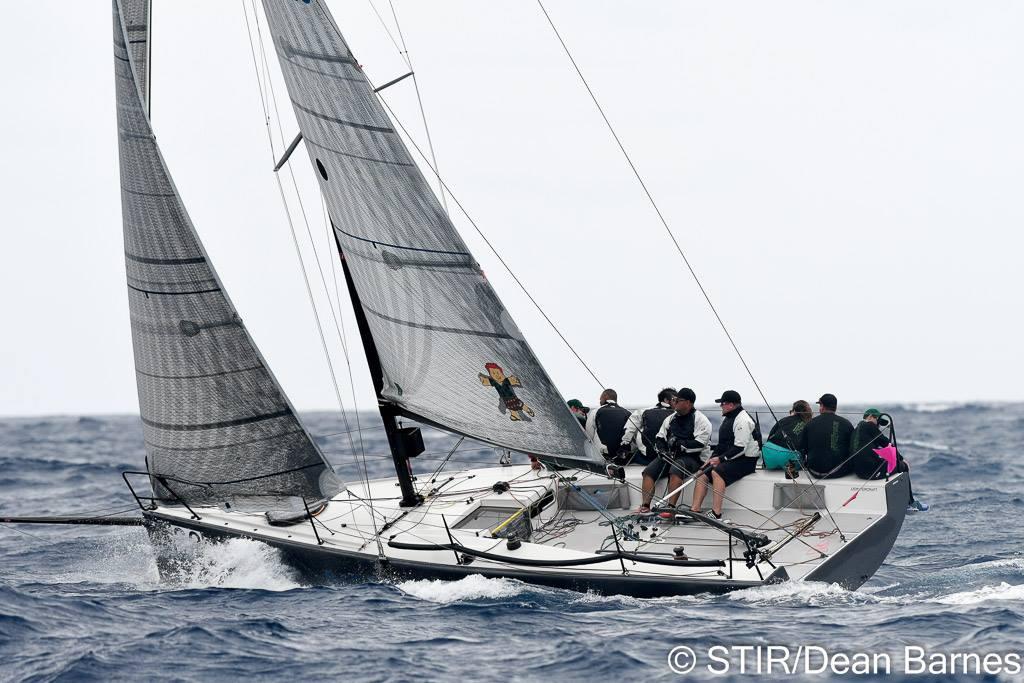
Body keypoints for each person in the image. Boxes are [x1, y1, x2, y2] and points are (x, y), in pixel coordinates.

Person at [635, 388, 711, 513]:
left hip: (693, 457)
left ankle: (670, 508)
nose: (673, 402)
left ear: (688, 402)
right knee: (648, 472)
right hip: (669, 456)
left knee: (676, 469)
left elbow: (700, 444)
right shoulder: (670, 419)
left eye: (677, 400)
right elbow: (660, 437)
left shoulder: (701, 420)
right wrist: (662, 450)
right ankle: (645, 506)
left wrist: (680, 444)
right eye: (673, 400)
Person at [690, 390, 761, 521]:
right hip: (733, 457)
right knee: (703, 472)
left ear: (731, 405)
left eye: (722, 403)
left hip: (746, 460)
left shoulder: (742, 420)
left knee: (717, 472)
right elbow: (722, 445)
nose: (720, 406)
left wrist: (720, 459)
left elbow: (740, 448)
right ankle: (695, 509)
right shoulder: (729, 419)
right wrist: (711, 459)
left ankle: (716, 513)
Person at [851, 408, 928, 511]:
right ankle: (910, 503)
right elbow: (886, 444)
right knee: (903, 467)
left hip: (857, 471)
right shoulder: (869, 426)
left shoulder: (858, 429)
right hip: (869, 473)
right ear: (870, 417)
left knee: (885, 461)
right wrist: (901, 459)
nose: (878, 425)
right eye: (877, 420)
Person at [798, 393, 853, 478]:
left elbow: (802, 447)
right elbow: (852, 448)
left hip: (814, 471)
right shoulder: (846, 423)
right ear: (835, 407)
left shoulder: (810, 424)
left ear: (822, 406)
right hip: (838, 472)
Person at [618, 388, 676, 466]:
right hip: (672, 458)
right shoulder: (678, 414)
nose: (678, 402)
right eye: (675, 399)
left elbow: (629, 429)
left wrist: (625, 446)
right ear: (666, 400)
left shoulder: (642, 411)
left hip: (647, 457)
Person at [763, 400, 813, 471]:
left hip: (769, 454)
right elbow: (807, 447)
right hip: (788, 459)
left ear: (794, 410)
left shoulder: (783, 420)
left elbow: (770, 435)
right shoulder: (807, 425)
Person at [585, 389, 631, 459]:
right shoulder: (627, 412)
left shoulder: (596, 411)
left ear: (605, 397)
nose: (600, 402)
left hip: (604, 456)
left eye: (600, 399)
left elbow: (589, 435)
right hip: (624, 456)